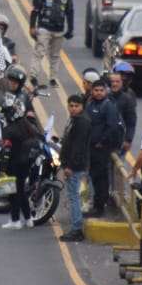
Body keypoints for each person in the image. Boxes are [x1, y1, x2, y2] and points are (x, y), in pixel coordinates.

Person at [0, 94, 43, 230]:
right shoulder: (27, 125)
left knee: (13, 192)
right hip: (26, 163)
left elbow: (6, 151)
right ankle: (28, 218)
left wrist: (2, 168)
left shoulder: (9, 130)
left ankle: (15, 220)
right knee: (21, 191)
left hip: (14, 164)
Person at [29, 0, 75, 87]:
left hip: (59, 30)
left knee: (55, 55)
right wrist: (32, 27)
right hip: (44, 27)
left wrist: (70, 29)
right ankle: (33, 75)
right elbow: (35, 10)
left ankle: (53, 78)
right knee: (39, 52)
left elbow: (70, 12)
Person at [85, 76, 122, 218]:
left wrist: (101, 141)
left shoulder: (108, 106)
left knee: (101, 178)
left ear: (105, 91)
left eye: (101, 90)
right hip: (91, 148)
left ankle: (100, 207)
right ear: (92, 91)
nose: (99, 93)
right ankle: (96, 204)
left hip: (102, 149)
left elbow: (112, 126)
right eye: (96, 90)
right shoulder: (90, 105)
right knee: (94, 177)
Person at [59, 92, 92, 242]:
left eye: (76, 106)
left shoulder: (81, 122)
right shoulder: (75, 120)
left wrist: (69, 166)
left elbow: (78, 147)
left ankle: (76, 229)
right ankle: (77, 226)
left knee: (74, 198)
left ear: (82, 107)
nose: (73, 108)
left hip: (76, 167)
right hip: (75, 165)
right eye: (70, 106)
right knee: (78, 196)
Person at [106, 63, 139, 157]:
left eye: (126, 77)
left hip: (119, 139)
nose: (124, 79)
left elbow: (131, 121)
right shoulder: (104, 94)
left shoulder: (129, 96)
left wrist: (128, 140)